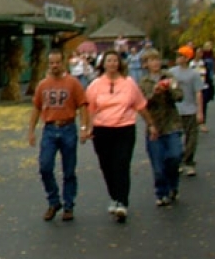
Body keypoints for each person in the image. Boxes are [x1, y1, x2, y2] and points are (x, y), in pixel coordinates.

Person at [85, 50, 152, 224]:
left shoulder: (129, 83)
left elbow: (140, 105)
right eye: (109, 61)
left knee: (121, 163)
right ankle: (114, 196)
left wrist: (151, 124)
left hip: (124, 128)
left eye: (115, 61)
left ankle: (123, 201)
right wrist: (86, 128)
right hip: (102, 129)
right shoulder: (95, 85)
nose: (112, 64)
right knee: (107, 165)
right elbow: (88, 109)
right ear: (103, 64)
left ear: (119, 64)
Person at [27, 50, 90, 222]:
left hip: (68, 127)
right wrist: (31, 131)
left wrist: (84, 127)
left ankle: (69, 205)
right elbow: (36, 108)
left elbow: (83, 106)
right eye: (51, 63)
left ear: (63, 63)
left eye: (57, 62)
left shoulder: (73, 83)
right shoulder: (43, 85)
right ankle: (53, 201)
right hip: (49, 128)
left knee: (69, 170)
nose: (54, 66)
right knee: (45, 166)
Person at [138, 48, 184, 207]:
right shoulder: (143, 82)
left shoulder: (169, 77)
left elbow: (180, 96)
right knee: (158, 165)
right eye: (151, 60)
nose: (155, 63)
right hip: (154, 126)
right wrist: (154, 93)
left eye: (157, 59)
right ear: (146, 64)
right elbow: (141, 104)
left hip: (171, 123)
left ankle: (173, 184)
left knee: (175, 156)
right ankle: (161, 192)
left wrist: (169, 89)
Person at [171, 45, 204, 177]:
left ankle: (189, 162)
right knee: (176, 137)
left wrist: (200, 111)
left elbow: (198, 93)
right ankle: (178, 161)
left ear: (186, 58)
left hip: (190, 109)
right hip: (176, 110)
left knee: (191, 138)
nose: (178, 58)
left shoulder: (194, 74)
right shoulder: (172, 72)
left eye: (180, 56)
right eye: (177, 55)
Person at [194, 42, 215, 133]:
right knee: (193, 105)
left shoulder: (205, 63)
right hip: (193, 88)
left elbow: (208, 76)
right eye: (198, 52)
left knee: (203, 105)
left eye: (201, 52)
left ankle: (202, 123)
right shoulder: (190, 64)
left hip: (203, 87)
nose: (200, 54)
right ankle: (193, 123)